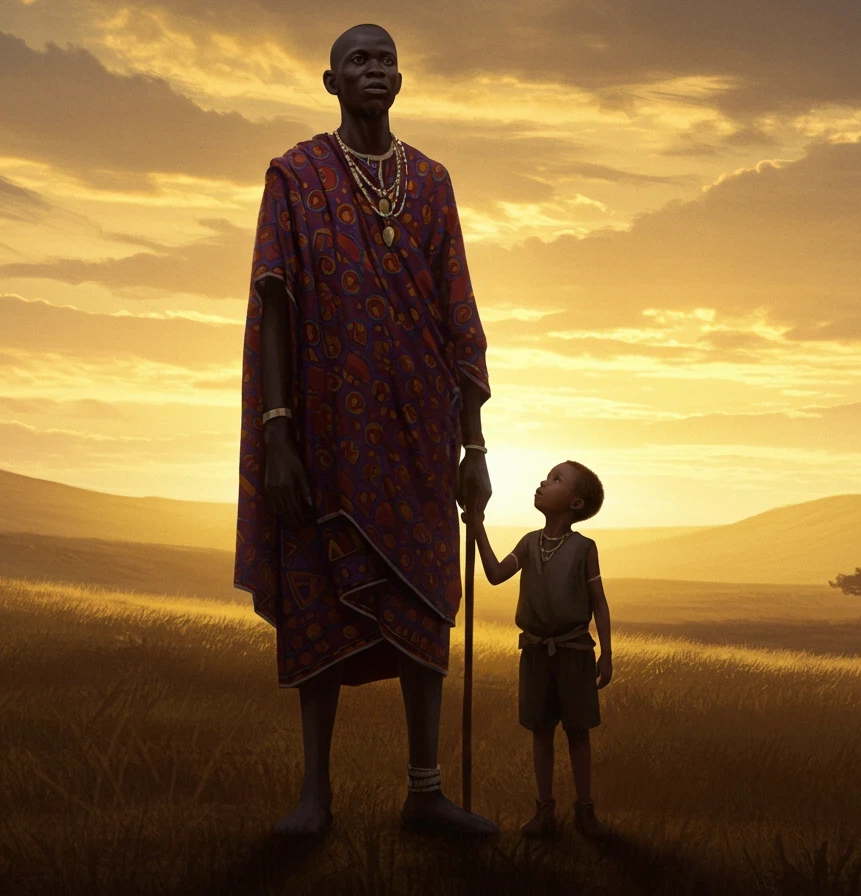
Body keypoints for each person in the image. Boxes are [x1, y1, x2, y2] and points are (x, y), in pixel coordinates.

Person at [233, 23, 497, 837]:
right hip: (324, 429)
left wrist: (475, 443)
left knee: (425, 602)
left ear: (401, 78)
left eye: (385, 59)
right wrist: (278, 432)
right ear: (330, 81)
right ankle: (316, 794)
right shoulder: (296, 175)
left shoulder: (432, 181)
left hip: (420, 432)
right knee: (321, 596)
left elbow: (459, 309)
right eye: (359, 60)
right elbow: (273, 301)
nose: (374, 70)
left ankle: (426, 793)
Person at [464, 460, 613, 839]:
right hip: (534, 652)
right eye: (548, 477)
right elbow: (496, 574)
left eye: (555, 479)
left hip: (575, 651)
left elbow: (599, 602)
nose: (543, 483)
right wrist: (478, 527)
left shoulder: (584, 549)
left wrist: (606, 653)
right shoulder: (530, 543)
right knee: (541, 730)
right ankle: (544, 811)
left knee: (578, 732)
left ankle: (585, 811)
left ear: (575, 504)